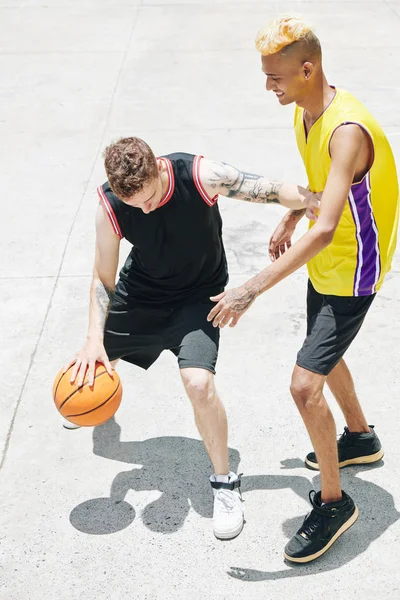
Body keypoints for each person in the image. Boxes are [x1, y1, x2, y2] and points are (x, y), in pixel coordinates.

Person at [208, 15, 399, 561]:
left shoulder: (346, 132)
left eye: (276, 77)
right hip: (327, 265)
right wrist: (293, 213)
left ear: (308, 69)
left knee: (303, 386)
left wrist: (251, 289)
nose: (270, 87)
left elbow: (327, 231)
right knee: (326, 353)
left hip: (353, 271)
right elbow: (322, 196)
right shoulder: (307, 114)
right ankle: (360, 437)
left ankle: (336, 502)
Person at [63, 136, 317, 540]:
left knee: (199, 384)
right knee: (90, 368)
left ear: (159, 171)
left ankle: (225, 484)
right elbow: (104, 277)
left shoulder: (199, 175)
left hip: (198, 298)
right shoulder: (111, 205)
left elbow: (268, 189)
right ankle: (97, 396)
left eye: (149, 198)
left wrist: (309, 199)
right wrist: (95, 338)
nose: (144, 209)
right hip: (141, 295)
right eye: (136, 206)